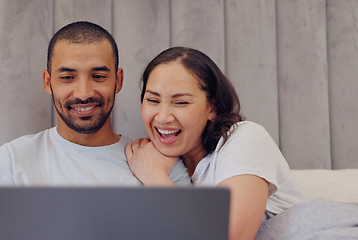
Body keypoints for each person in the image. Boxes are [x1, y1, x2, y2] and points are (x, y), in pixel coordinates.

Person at [0, 22, 190, 239]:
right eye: (67, 77)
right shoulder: (12, 160)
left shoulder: (156, 161)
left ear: (118, 80)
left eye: (98, 76)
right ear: (48, 82)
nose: (83, 93)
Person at [125, 47, 307, 240]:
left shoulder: (245, 137)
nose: (162, 117)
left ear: (212, 108)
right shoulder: (158, 161)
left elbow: (229, 236)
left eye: (181, 103)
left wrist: (154, 176)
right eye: (152, 100)